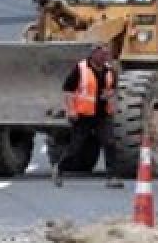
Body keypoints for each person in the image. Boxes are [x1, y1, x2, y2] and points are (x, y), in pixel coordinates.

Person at [52, 44, 122, 189]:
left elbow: (113, 89)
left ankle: (112, 176)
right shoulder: (80, 69)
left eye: (107, 54)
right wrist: (71, 110)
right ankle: (59, 168)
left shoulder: (110, 71)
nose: (105, 57)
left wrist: (110, 96)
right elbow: (68, 90)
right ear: (93, 54)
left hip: (103, 114)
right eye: (102, 54)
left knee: (110, 143)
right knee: (76, 147)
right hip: (83, 115)